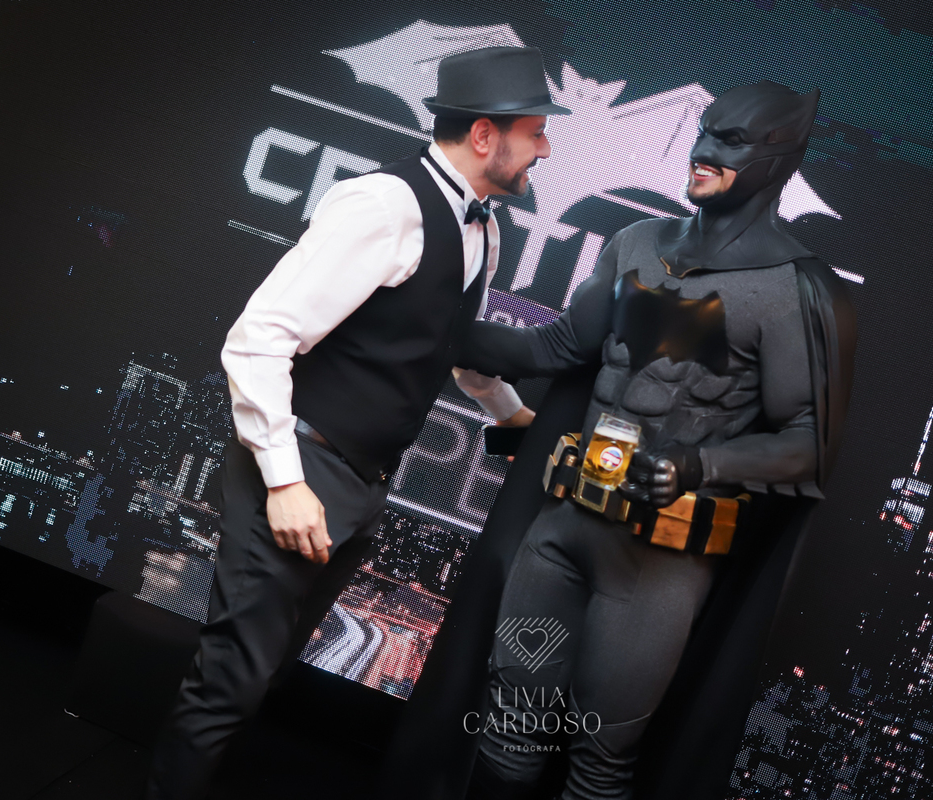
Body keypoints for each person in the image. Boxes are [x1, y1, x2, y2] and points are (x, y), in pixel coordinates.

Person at [374, 80, 856, 800]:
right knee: (508, 730)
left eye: (730, 141)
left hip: (657, 564)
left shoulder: (797, 291)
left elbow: (808, 446)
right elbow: (559, 347)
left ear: (781, 158)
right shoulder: (637, 242)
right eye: (704, 130)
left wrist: (697, 462)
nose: (703, 149)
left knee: (601, 761)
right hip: (563, 528)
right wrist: (429, 321)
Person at [143, 46, 569, 800]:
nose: (545, 147)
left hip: (363, 484)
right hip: (302, 469)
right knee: (229, 685)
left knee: (268, 674)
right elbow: (258, 339)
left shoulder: (484, 230)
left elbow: (445, 344)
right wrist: (285, 483)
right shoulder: (383, 205)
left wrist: (516, 418)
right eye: (535, 131)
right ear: (484, 135)